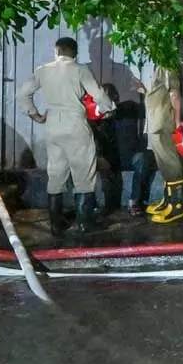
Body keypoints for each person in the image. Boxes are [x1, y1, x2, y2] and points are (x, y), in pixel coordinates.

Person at [16, 37, 113, 237]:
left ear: (57, 50)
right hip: (75, 123)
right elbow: (99, 95)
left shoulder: (43, 70)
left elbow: (23, 94)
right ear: (75, 53)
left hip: (52, 124)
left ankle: (56, 224)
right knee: (84, 173)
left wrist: (35, 114)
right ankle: (84, 223)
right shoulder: (80, 70)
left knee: (56, 172)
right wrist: (108, 109)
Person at [132, 66, 183, 224]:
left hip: (163, 123)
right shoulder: (159, 65)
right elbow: (160, 94)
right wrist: (144, 90)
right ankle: (168, 201)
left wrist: (177, 122)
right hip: (156, 122)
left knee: (170, 162)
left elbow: (174, 95)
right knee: (163, 163)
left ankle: (176, 206)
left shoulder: (167, 65)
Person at [88, 83, 125, 216]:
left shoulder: (115, 116)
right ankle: (94, 206)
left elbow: (112, 112)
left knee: (110, 171)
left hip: (111, 155)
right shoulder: (91, 117)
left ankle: (110, 205)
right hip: (96, 154)